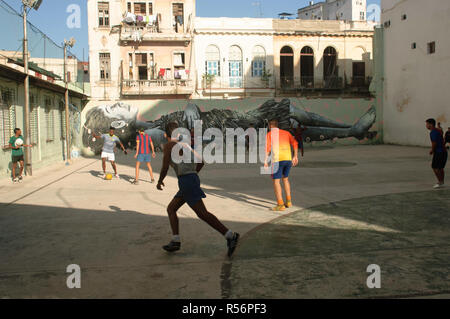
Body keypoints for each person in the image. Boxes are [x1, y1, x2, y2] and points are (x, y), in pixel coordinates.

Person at [156, 122, 240, 257]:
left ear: (166, 134)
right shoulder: (186, 145)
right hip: (190, 179)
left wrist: (160, 181)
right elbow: (201, 161)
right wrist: (193, 173)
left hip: (186, 181)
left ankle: (230, 235)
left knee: (202, 213)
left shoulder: (169, 146)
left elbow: (165, 166)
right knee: (171, 209)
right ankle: (175, 240)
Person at [264, 119, 299, 211]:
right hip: (288, 159)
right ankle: (288, 201)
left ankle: (280, 204)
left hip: (277, 161)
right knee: (286, 179)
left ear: (270, 126)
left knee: (276, 181)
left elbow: (267, 149)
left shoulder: (269, 134)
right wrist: (295, 156)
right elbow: (295, 143)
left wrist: (265, 161)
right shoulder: (286, 133)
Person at [426, 119, 447, 189]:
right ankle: (442, 181)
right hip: (444, 152)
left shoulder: (433, 132)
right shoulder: (438, 130)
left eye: (427, 124)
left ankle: (440, 182)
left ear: (431, 124)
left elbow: (434, 143)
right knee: (440, 168)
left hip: (439, 152)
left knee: (434, 167)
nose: (426, 126)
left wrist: (432, 150)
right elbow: (441, 132)